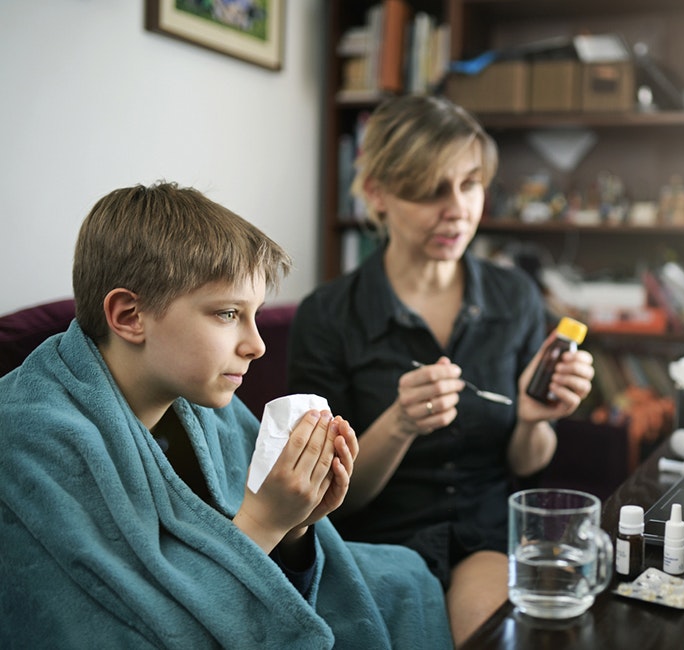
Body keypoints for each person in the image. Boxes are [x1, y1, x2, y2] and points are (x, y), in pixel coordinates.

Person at [0, 182, 452, 649]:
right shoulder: (28, 436)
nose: (256, 345)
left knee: (407, 576)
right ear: (129, 315)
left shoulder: (202, 401)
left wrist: (297, 525)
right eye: (228, 314)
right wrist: (265, 522)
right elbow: (117, 628)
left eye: (254, 314)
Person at [288, 95, 596, 645]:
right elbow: (324, 498)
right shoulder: (328, 315)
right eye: (431, 190)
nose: (456, 209)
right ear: (377, 194)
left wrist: (532, 420)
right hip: (374, 542)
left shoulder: (515, 297)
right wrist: (400, 423)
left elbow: (528, 466)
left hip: (484, 538)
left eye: (469, 184)